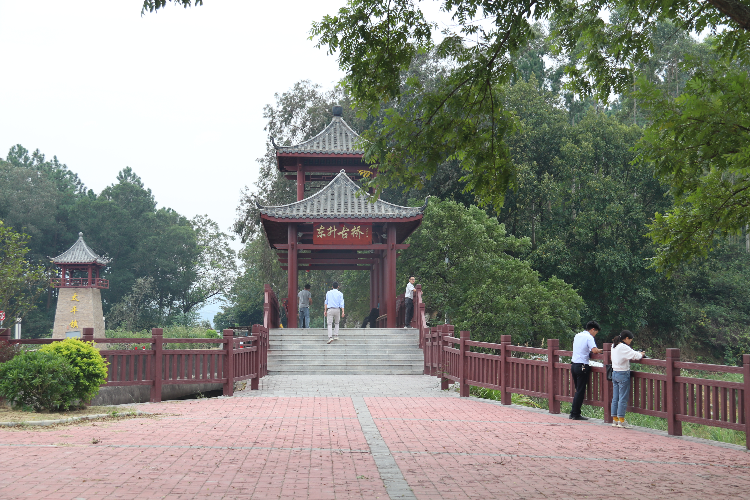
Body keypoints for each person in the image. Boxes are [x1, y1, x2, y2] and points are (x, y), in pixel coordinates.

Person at [610, 330, 645, 429]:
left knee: (615, 397)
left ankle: (615, 419)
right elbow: (636, 356)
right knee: (623, 398)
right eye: (630, 340)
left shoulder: (614, 345)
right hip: (623, 373)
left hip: (615, 372)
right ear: (626, 338)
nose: (630, 342)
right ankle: (621, 420)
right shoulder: (624, 347)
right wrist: (641, 354)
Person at [570, 320, 603, 420]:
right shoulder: (589, 337)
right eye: (595, 332)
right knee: (580, 391)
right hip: (583, 366)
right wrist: (602, 350)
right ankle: (575, 413)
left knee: (577, 390)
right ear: (593, 329)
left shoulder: (577, 335)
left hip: (574, 365)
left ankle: (573, 412)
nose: (595, 335)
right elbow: (594, 350)